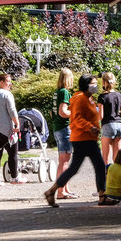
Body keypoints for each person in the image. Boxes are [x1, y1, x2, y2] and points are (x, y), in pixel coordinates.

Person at [43, 75, 119, 207]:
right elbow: (77, 118)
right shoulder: (80, 98)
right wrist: (90, 127)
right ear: (86, 85)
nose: (96, 86)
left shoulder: (88, 99)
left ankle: (102, 195)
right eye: (93, 83)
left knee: (91, 167)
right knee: (85, 167)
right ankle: (52, 191)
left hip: (88, 138)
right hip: (82, 138)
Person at [0, 73, 22, 183]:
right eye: (8, 81)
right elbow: (12, 111)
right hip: (7, 129)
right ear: (1, 82)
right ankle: (14, 177)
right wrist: (17, 124)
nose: (10, 84)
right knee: (13, 154)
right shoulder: (7, 94)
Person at [51, 68, 76, 199]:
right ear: (68, 79)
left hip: (57, 127)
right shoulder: (65, 92)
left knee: (63, 161)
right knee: (65, 161)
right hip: (64, 128)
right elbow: (63, 112)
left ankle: (64, 188)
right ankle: (61, 191)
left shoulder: (57, 92)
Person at [97, 71, 121, 165]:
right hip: (119, 125)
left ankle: (106, 179)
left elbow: (101, 116)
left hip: (108, 125)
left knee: (105, 159)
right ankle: (117, 178)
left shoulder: (102, 97)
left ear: (104, 82)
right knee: (117, 159)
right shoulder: (119, 95)